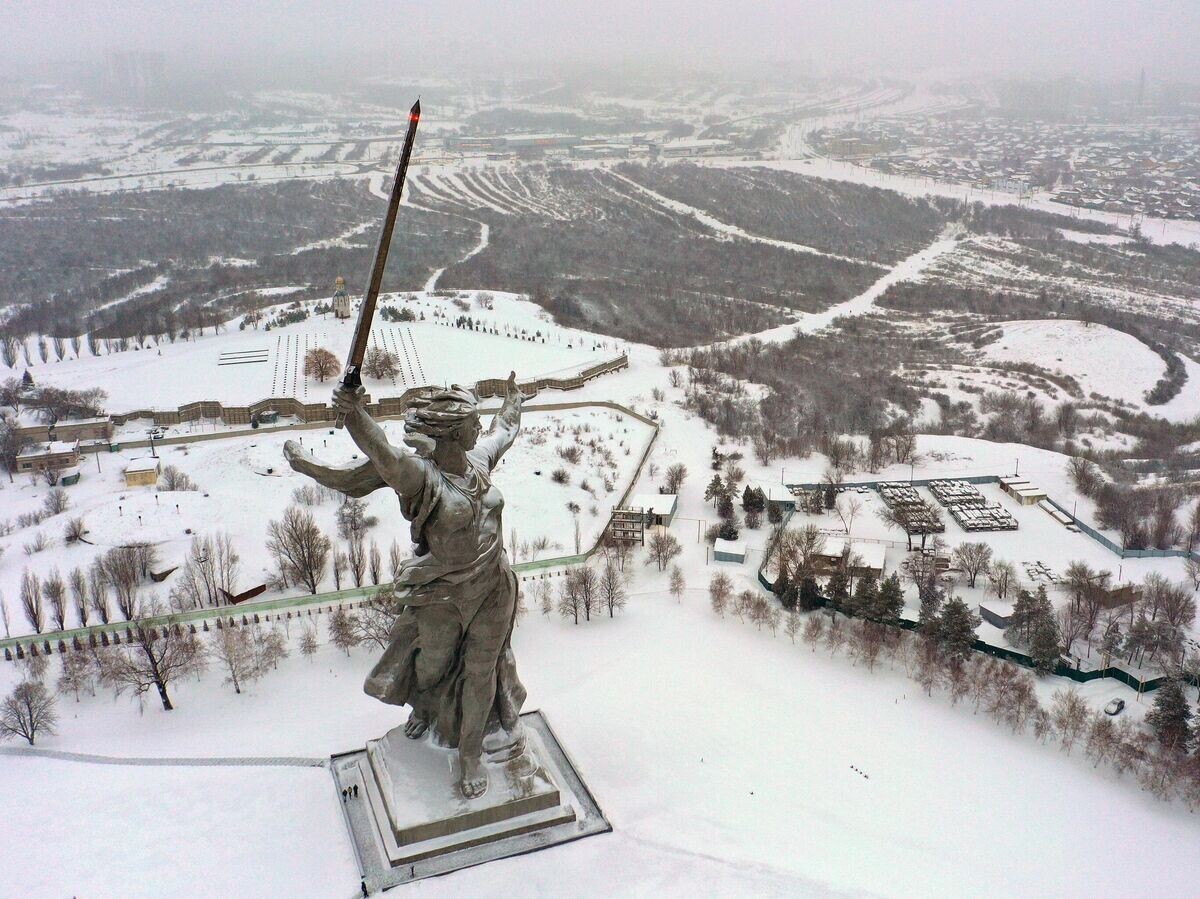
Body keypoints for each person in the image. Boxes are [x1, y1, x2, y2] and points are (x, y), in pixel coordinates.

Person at [286, 372, 530, 800]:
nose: (479, 428)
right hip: (442, 596)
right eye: (472, 423)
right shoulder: (422, 477)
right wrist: (354, 413)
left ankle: (469, 754)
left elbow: (503, 431)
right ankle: (427, 708)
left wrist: (514, 402)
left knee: (481, 671)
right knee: (430, 666)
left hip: (493, 588)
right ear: (453, 432)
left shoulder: (478, 463)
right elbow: (382, 452)